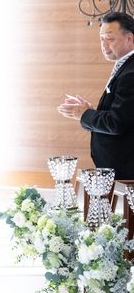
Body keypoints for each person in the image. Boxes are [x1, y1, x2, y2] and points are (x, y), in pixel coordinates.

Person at [57, 11, 134, 179]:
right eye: (101, 39)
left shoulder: (130, 73)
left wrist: (85, 114)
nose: (104, 45)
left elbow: (117, 123)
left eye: (110, 39)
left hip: (126, 170)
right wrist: (89, 111)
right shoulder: (124, 66)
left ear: (129, 39)